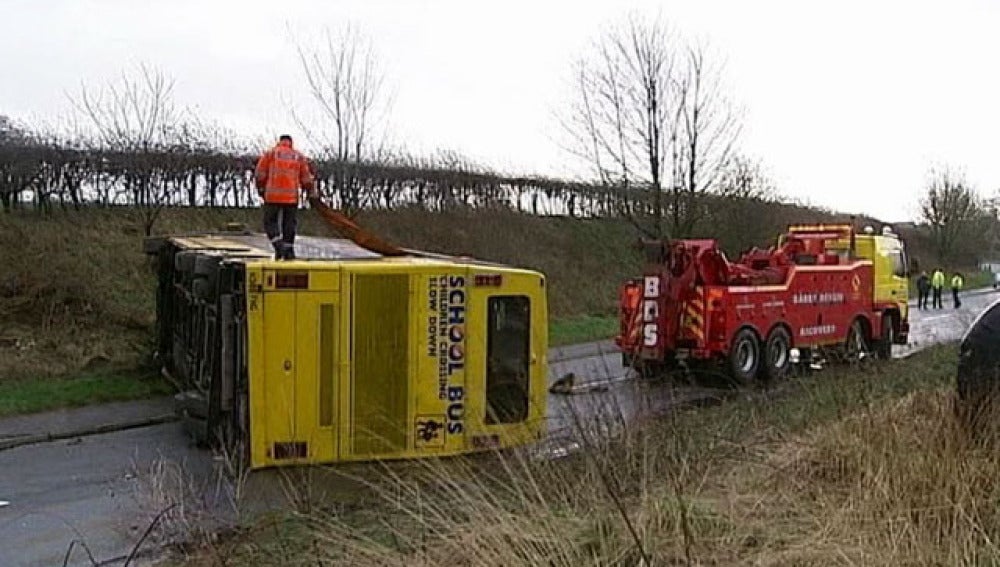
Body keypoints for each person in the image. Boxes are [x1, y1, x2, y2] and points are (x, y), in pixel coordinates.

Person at [254, 135, 317, 260]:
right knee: (289, 224)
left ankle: (279, 246)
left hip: (272, 196)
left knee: (270, 223)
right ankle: (288, 251)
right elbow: (306, 179)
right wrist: (310, 191)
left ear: (280, 141)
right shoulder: (298, 156)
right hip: (291, 198)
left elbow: (259, 174)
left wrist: (261, 189)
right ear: (291, 143)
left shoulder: (270, 154)